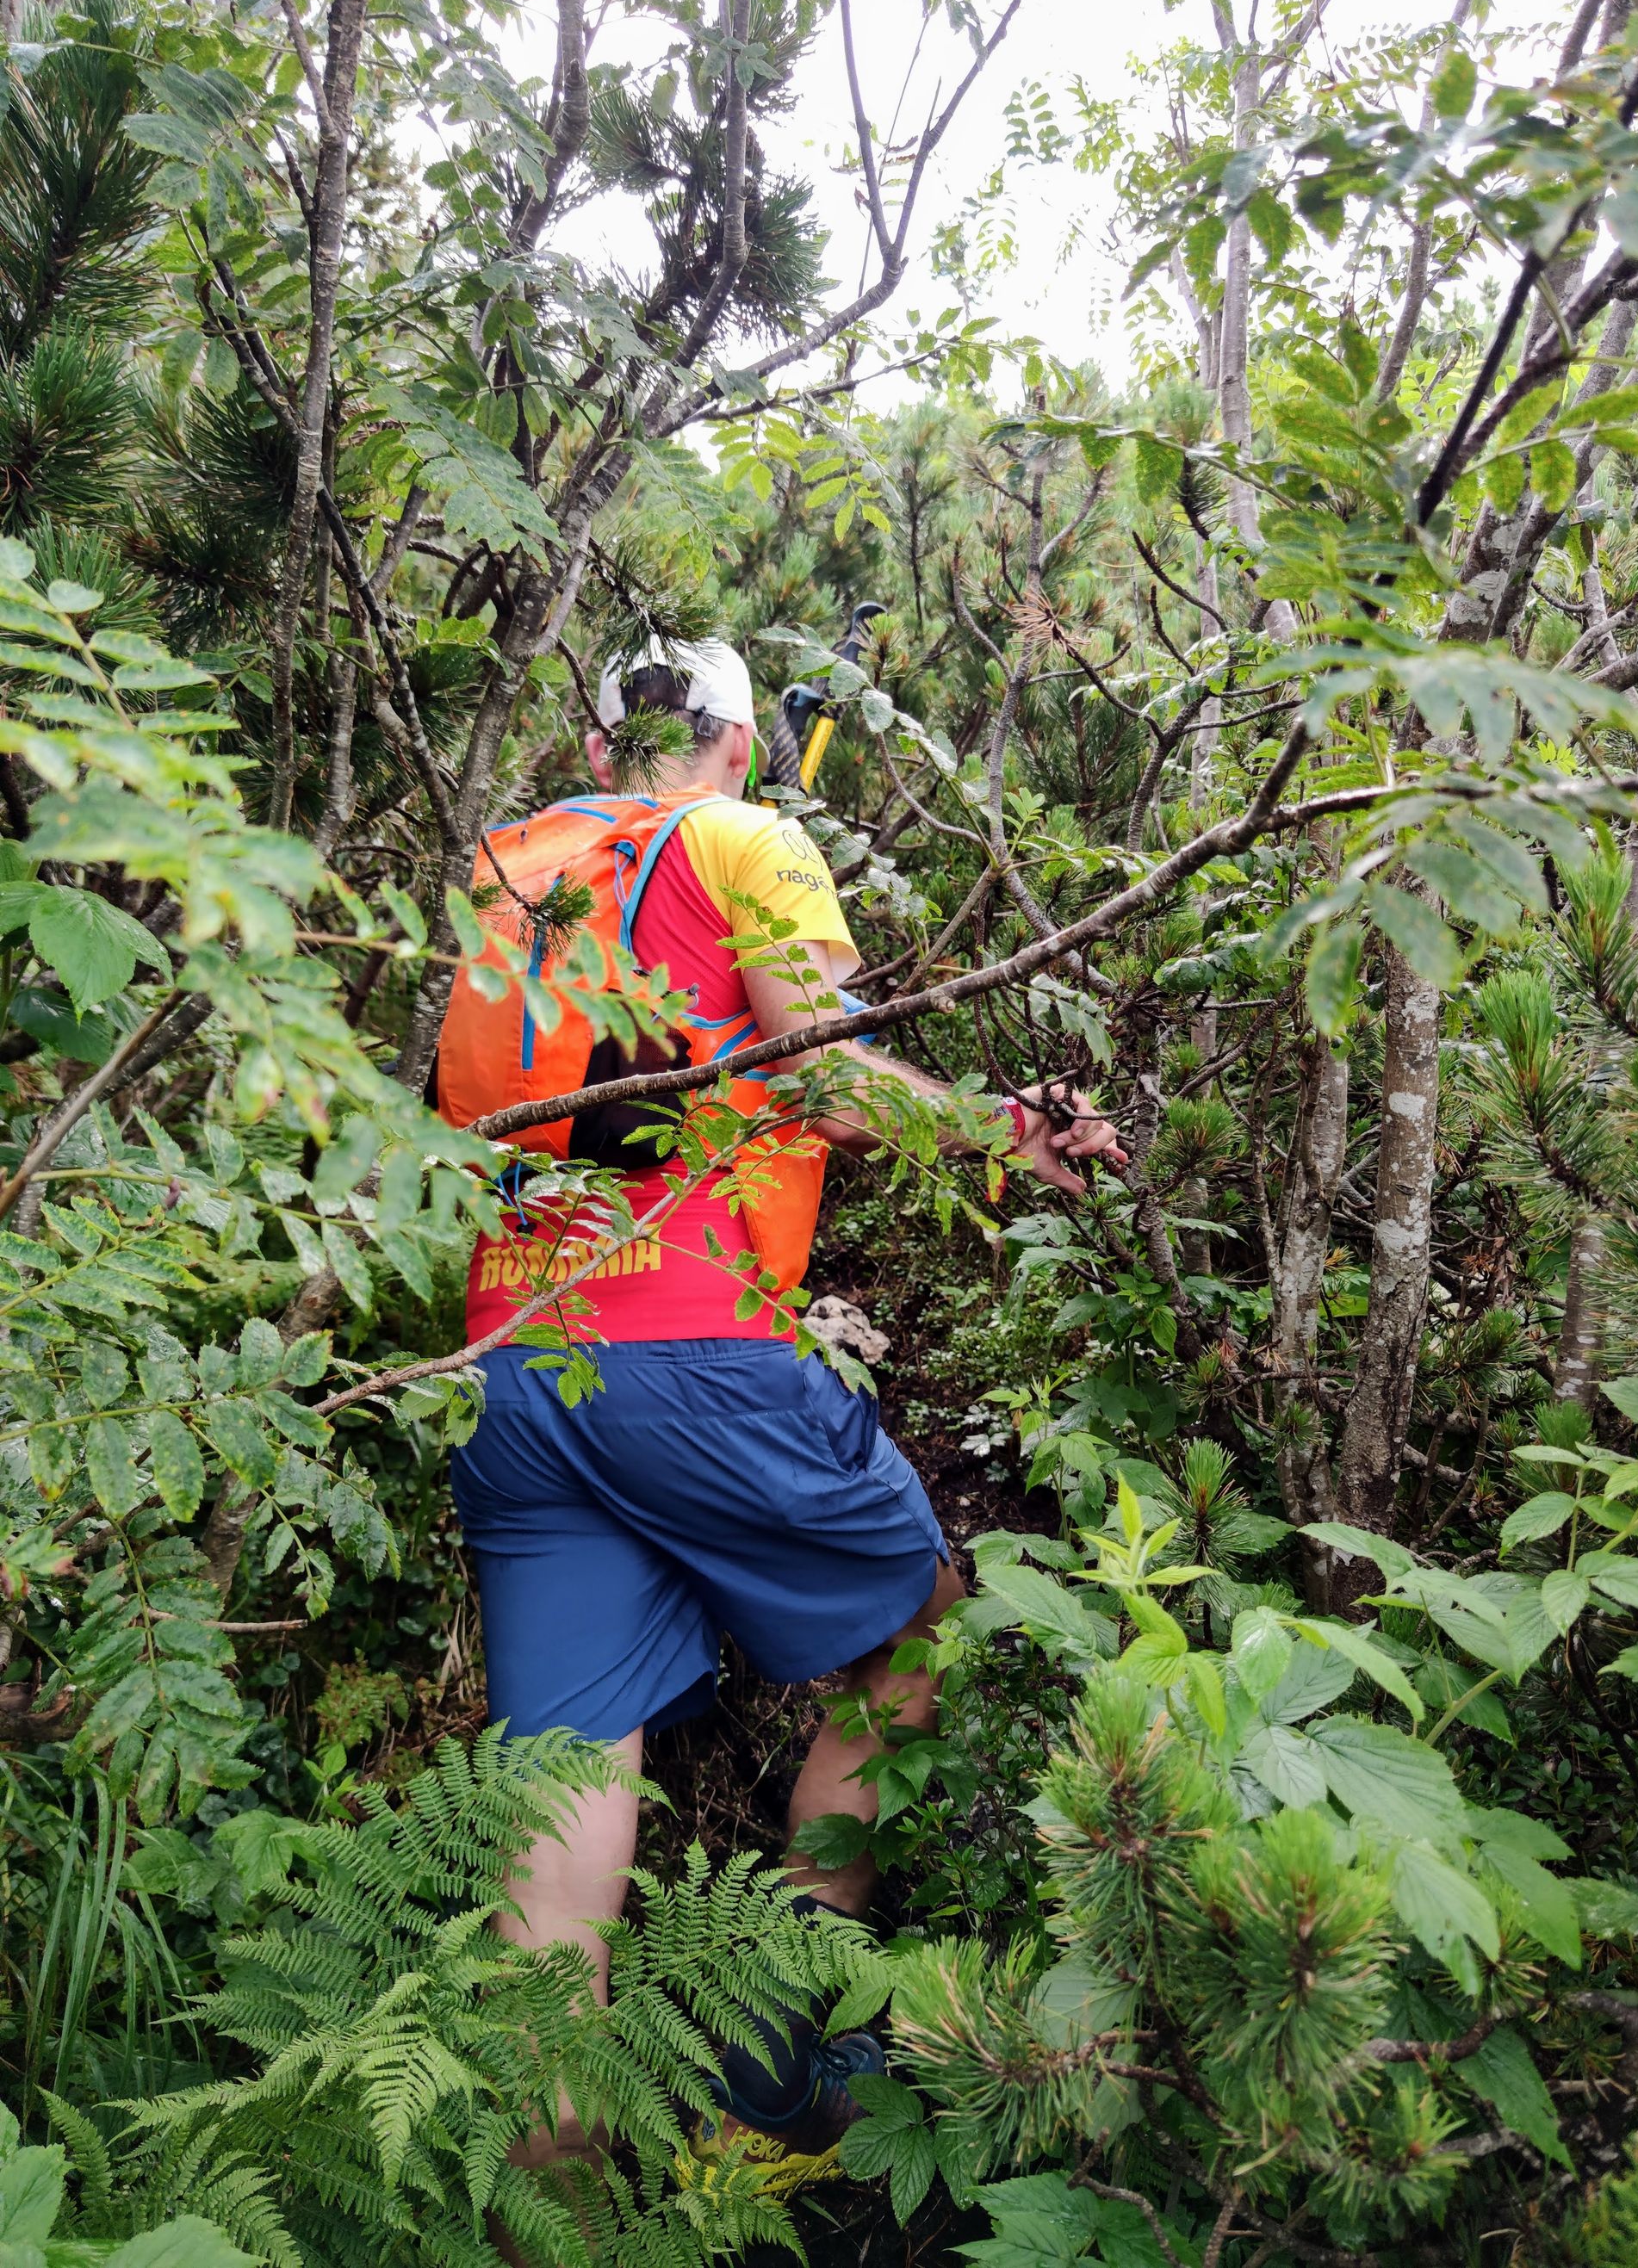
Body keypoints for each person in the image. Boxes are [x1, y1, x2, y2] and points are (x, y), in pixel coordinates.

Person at [445, 638, 1123, 2177]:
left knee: (562, 1796)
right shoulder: (749, 839)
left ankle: (549, 2212)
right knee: (911, 1628)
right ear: (744, 747)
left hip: (506, 1366)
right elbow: (832, 1077)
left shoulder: (516, 868)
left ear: (611, 737)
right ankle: (778, 2042)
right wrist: (1014, 1137)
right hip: (686, 1345)